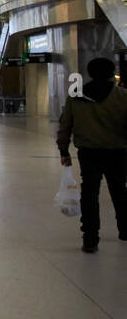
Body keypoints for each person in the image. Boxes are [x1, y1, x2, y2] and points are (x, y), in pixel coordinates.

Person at [56, 57, 127, 253]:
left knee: (89, 195)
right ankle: (124, 229)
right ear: (112, 73)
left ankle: (90, 238)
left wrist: (63, 150)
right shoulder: (122, 96)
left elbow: (65, 126)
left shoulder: (77, 96)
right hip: (117, 152)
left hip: (88, 153)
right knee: (120, 191)